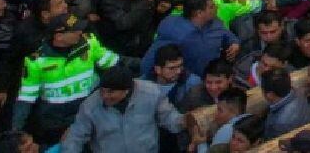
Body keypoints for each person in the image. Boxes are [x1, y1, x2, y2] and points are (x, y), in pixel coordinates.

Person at [11, 14, 121, 145]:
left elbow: (114, 62)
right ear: (58, 36)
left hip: (90, 113)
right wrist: (16, 130)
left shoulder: (89, 43)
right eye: (75, 31)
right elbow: (26, 97)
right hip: (55, 122)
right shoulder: (36, 61)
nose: (80, 32)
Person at [62, 65, 195, 153]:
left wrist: (187, 120)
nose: (104, 96)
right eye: (102, 91)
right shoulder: (90, 105)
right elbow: (76, 136)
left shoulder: (152, 93)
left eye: (111, 92)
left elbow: (170, 119)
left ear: (126, 91)